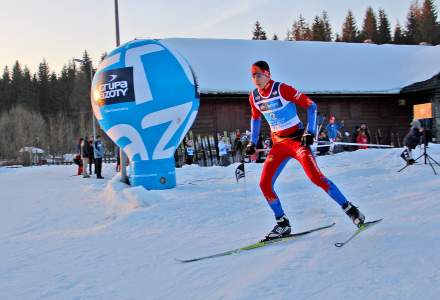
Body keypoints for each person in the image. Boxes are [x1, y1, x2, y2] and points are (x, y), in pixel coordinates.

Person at [246, 60, 365, 241]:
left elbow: (311, 105)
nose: (256, 79)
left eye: (259, 74)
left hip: (296, 141)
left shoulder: (282, 89)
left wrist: (309, 132)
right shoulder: (254, 96)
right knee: (264, 184)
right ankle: (282, 224)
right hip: (279, 145)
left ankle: (351, 210)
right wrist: (252, 143)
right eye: (253, 75)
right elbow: (255, 119)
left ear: (268, 73)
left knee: (315, 177)